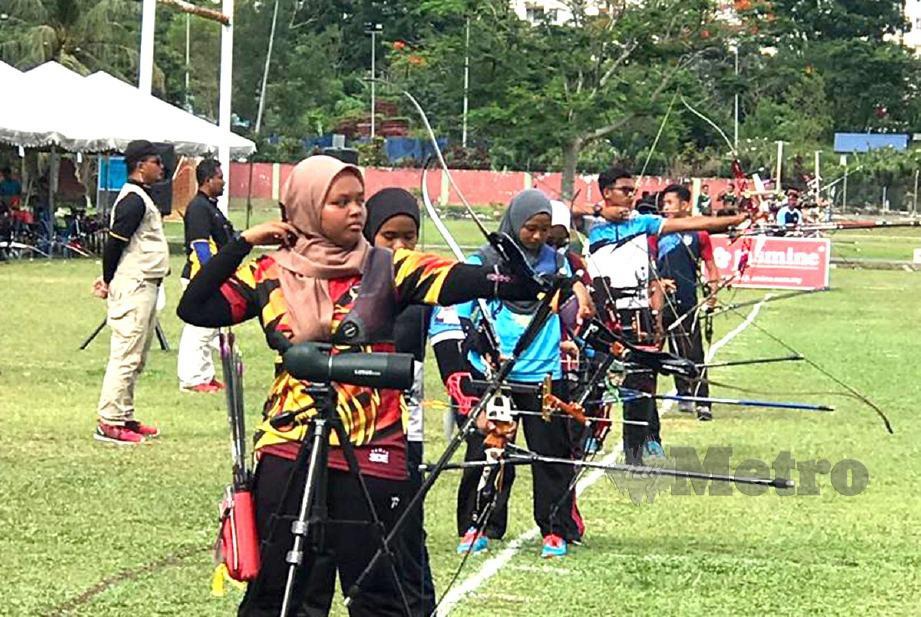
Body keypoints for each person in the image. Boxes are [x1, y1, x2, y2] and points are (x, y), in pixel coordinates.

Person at [176, 155, 541, 616]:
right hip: (289, 443)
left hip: (372, 445)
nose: (356, 212)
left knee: (381, 593)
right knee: (280, 591)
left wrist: (518, 278)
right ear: (307, 207)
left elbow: (462, 280)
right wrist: (244, 242)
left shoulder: (388, 267)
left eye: (358, 201)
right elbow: (196, 306)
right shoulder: (269, 272)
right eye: (339, 202)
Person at [444, 189, 591, 559]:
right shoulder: (486, 263)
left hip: (544, 376)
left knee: (551, 456)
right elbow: (459, 313)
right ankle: (478, 526)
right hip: (496, 375)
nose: (538, 236)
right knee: (489, 453)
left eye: (544, 229)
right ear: (513, 224)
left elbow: (573, 283)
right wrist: (473, 345)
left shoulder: (556, 263)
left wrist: (581, 296)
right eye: (530, 228)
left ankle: (554, 530)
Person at [572, 168, 747, 464]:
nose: (631, 196)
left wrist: (734, 220)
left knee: (640, 384)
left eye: (633, 191)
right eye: (625, 191)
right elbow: (558, 212)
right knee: (593, 377)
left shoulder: (643, 222)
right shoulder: (591, 224)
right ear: (606, 192)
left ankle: (640, 449)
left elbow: (695, 223)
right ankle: (587, 436)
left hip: (638, 313)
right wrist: (600, 210)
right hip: (603, 313)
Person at [92, 140, 168, 445]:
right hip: (133, 284)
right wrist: (108, 279)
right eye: (157, 162)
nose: (161, 168)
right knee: (125, 354)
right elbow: (114, 244)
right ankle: (109, 421)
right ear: (140, 165)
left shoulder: (143, 199)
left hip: (146, 283)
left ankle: (124, 413)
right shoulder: (133, 201)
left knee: (137, 355)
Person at [649, 184, 720, 421]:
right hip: (660, 302)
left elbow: (711, 266)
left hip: (687, 299)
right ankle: (673, 395)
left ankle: (703, 402)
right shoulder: (656, 232)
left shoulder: (699, 233)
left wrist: (712, 293)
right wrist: (657, 283)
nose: (665, 208)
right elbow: (648, 264)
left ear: (685, 205)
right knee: (655, 351)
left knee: (692, 350)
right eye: (664, 203)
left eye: (670, 203)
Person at [177, 159, 233, 393]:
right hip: (201, 276)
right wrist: (211, 276)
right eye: (219, 177)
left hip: (211, 276)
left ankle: (206, 375)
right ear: (208, 180)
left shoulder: (211, 206)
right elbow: (200, 245)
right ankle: (191, 378)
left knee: (210, 328)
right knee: (197, 330)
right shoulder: (199, 208)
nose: (223, 181)